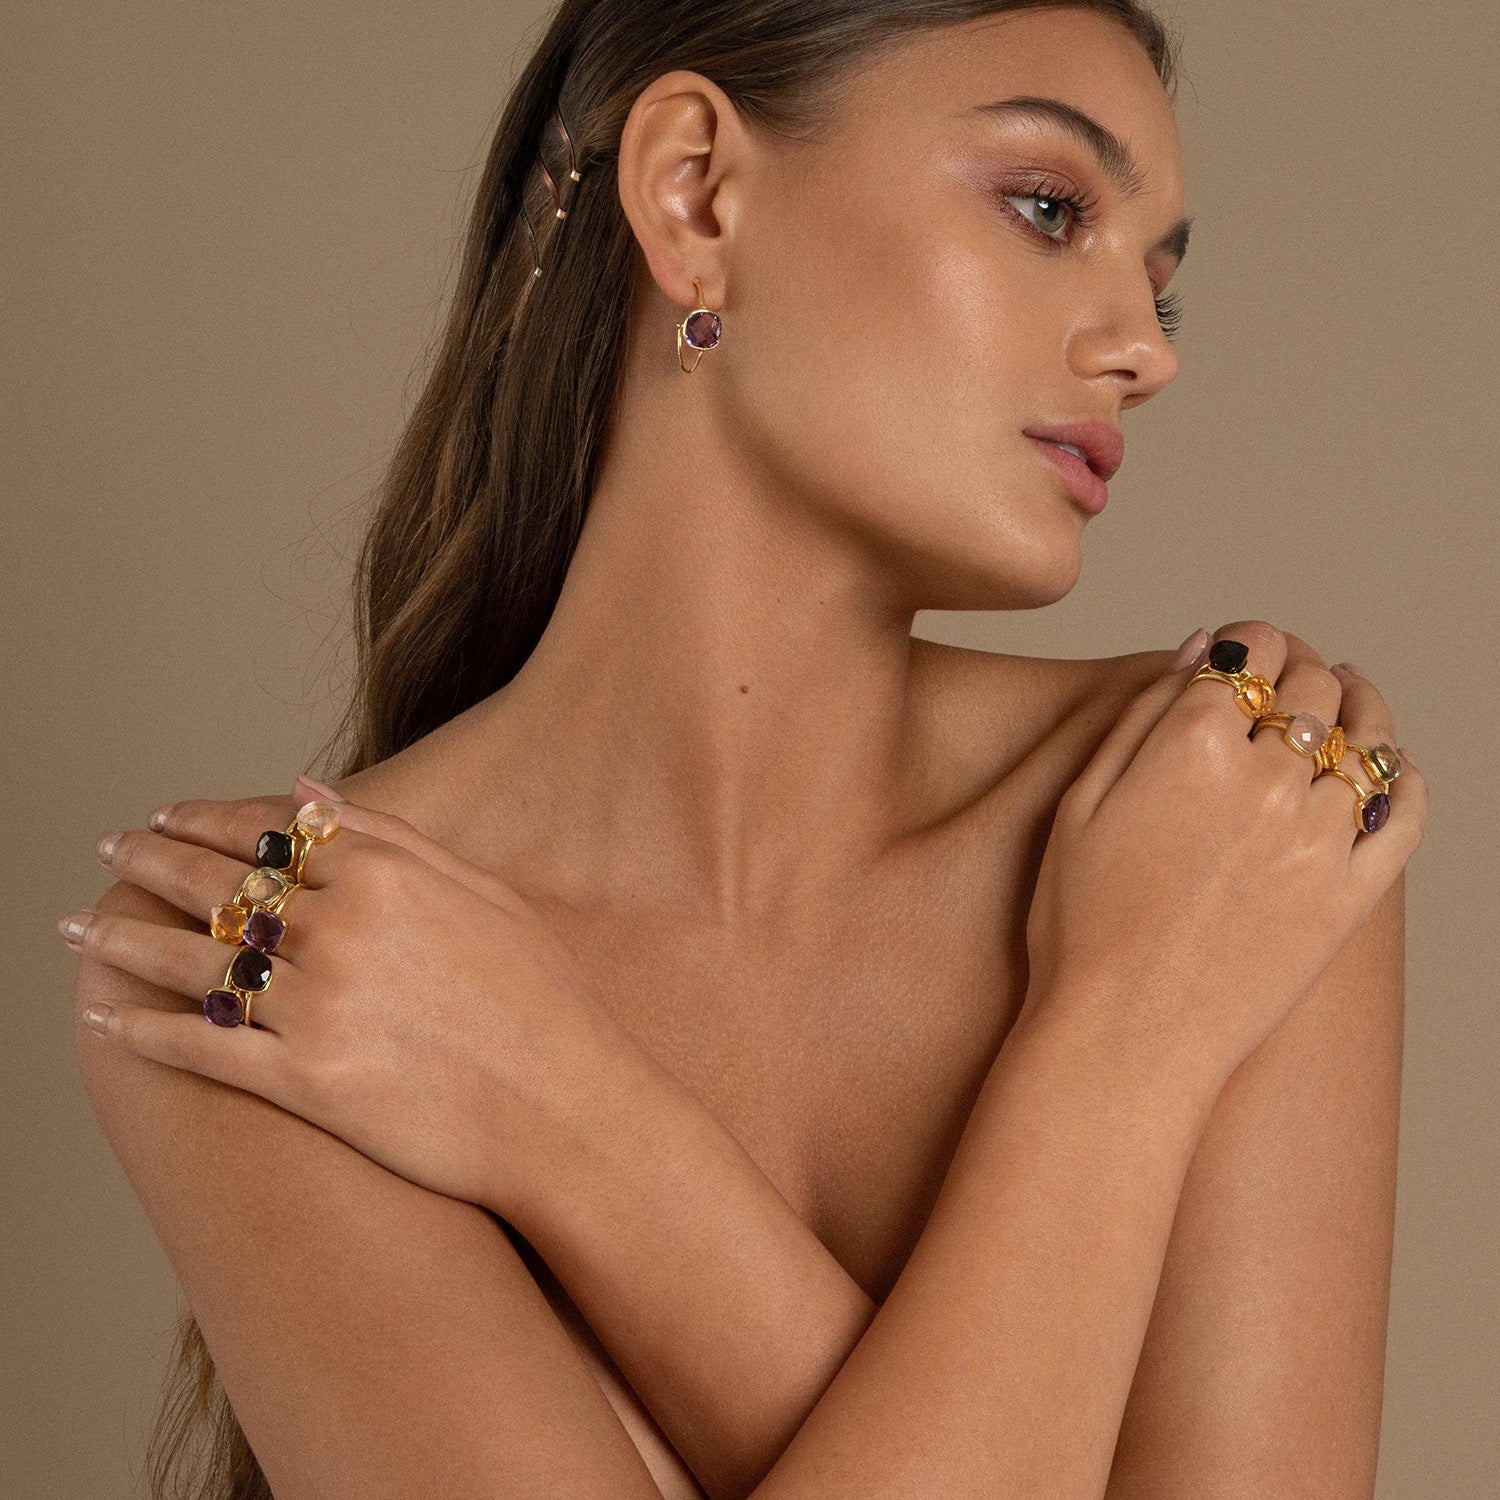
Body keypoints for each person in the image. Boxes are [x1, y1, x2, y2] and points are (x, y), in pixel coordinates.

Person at [65, 1, 1426, 1495]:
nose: (1144, 354)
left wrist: (565, 1110)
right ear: (695, 194)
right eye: (1049, 209)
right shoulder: (271, 942)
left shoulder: (1227, 809)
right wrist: (1130, 1034)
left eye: (1163, 292)